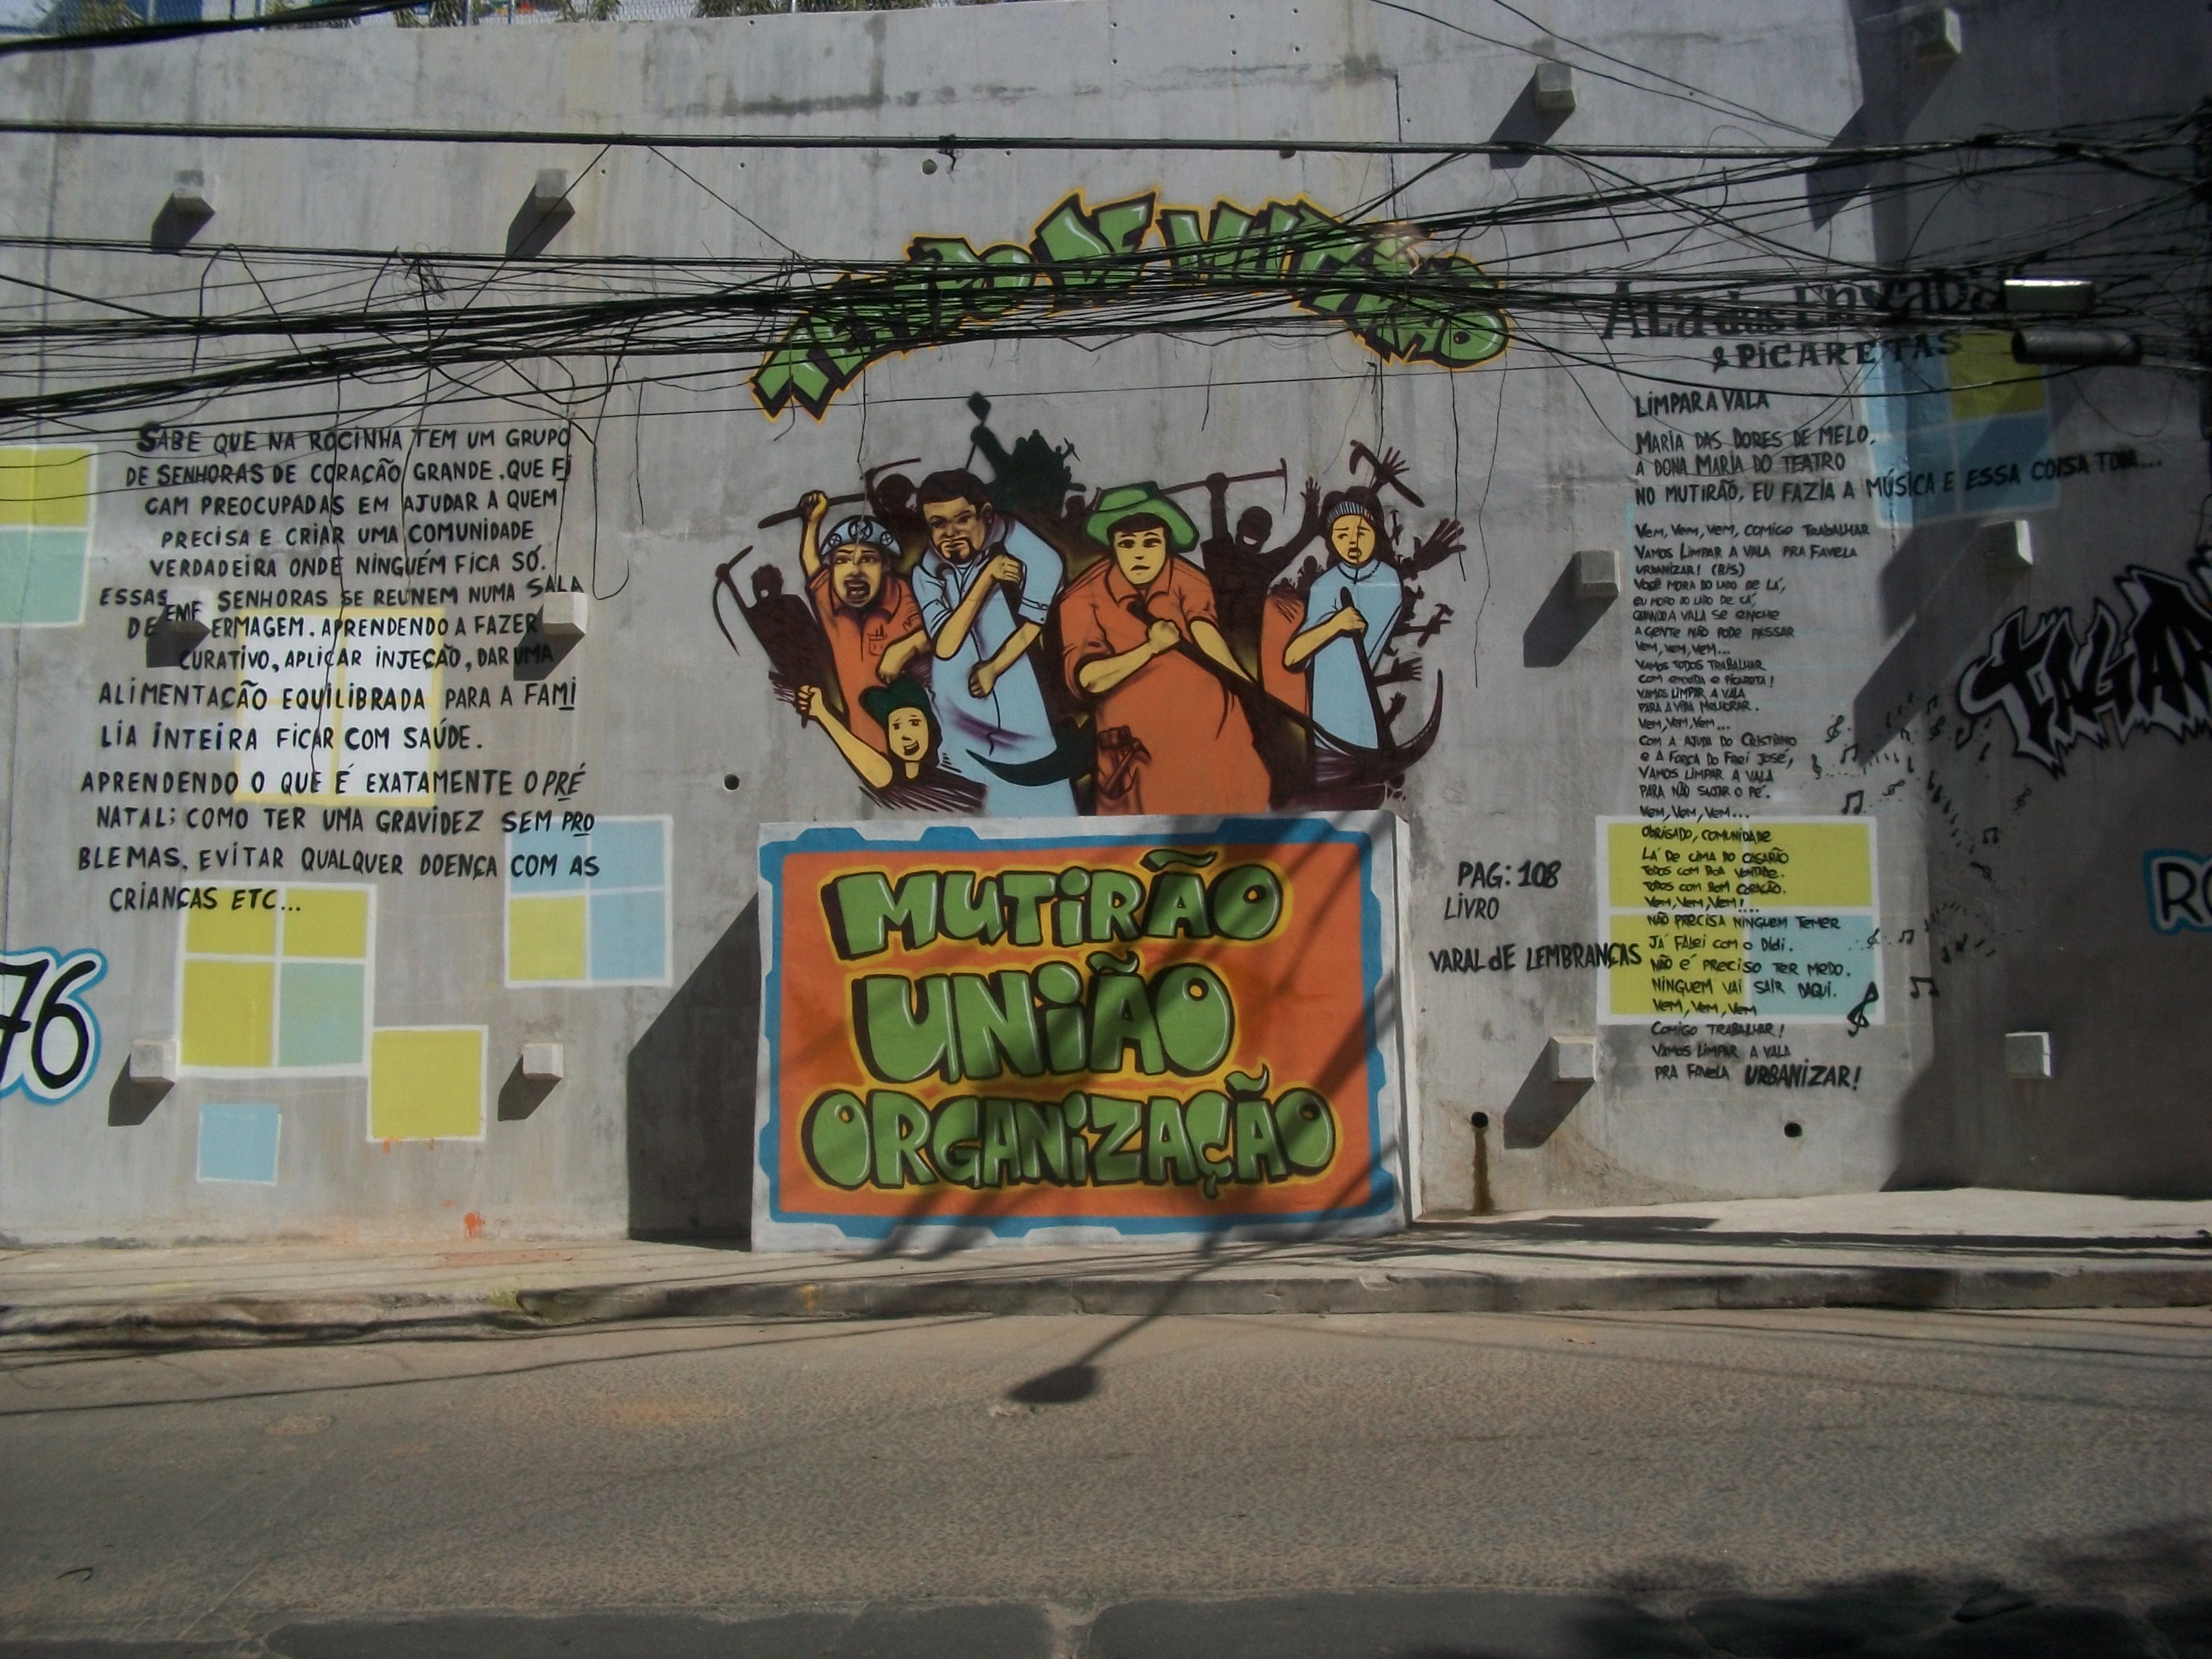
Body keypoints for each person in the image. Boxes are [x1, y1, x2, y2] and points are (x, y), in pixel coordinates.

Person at [1057, 482, 1272, 815]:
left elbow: (1205, 631)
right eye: (1127, 544)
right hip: (1138, 753)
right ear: (1113, 545)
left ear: (1166, 541)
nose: (1139, 554)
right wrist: (1150, 648)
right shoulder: (1082, 597)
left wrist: (1247, 687)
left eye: (1151, 542)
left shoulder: (1188, 577)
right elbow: (1089, 679)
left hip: (1211, 738)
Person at [907, 468, 1076, 816]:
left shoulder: (1035, 554)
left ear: (985, 514)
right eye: (938, 524)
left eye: (962, 519)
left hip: (1022, 724)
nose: (950, 534)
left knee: (1046, 817)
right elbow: (945, 646)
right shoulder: (927, 568)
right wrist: (986, 578)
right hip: (955, 726)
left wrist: (994, 669)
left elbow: (1033, 628)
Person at [796, 493, 929, 753]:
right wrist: (813, 523)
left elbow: (941, 632)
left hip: (910, 745)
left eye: (868, 559)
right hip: (862, 744)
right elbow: (811, 563)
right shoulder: (833, 601)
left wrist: (906, 648)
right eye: (842, 560)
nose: (854, 570)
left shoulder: (902, 595)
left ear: (886, 565)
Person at [1280, 491, 1405, 750]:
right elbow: (1292, 657)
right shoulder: (1325, 585)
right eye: (1342, 534)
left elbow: (1364, 653)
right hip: (1325, 721)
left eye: (1361, 532)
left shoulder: (1389, 581)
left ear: (1376, 532)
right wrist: (1334, 625)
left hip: (1362, 718)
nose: (1352, 542)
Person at [796, 678, 985, 815]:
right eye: (896, 726)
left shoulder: (954, 781)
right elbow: (875, 767)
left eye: (914, 723)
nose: (905, 735)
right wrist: (822, 713)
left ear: (930, 728)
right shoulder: (888, 774)